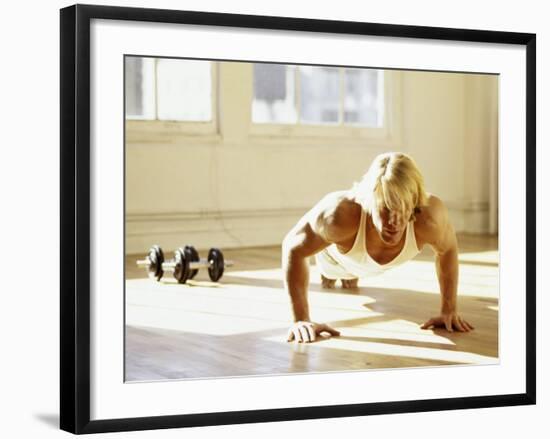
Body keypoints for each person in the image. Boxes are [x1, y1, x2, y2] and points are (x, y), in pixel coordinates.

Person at [282, 152, 474, 343]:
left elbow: (447, 250)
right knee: (332, 275)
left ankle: (353, 271)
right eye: (386, 208)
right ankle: (335, 272)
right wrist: (300, 319)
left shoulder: (430, 219)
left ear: (414, 204)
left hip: (365, 260)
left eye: (403, 208)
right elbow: (292, 247)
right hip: (335, 260)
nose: (394, 222)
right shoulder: (338, 217)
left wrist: (449, 310)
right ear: (369, 201)